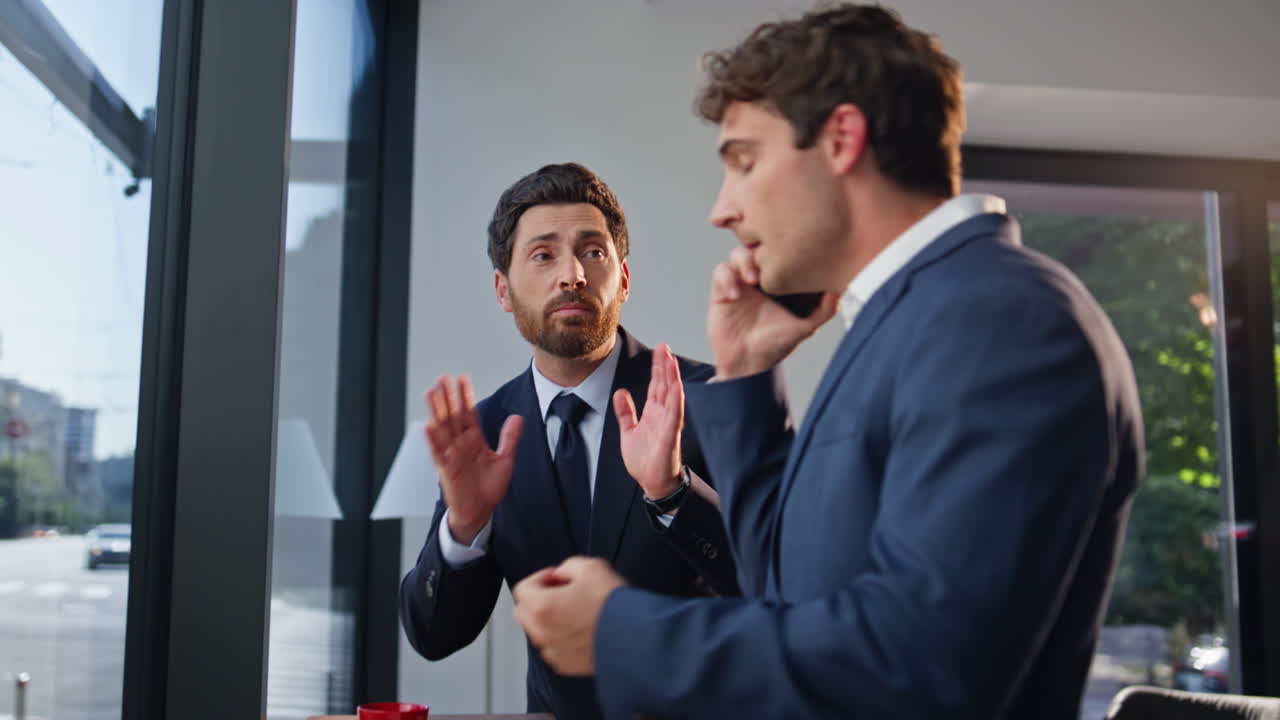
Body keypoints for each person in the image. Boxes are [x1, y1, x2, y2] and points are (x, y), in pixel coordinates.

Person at [511, 6, 1144, 719]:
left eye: (744, 162)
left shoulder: (1003, 322)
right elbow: (788, 593)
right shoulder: (911, 321)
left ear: (843, 138)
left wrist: (621, 632)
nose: (723, 209)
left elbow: (919, 666)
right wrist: (748, 376)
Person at [398, 162, 737, 720]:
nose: (572, 274)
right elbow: (434, 636)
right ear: (503, 290)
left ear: (623, 279)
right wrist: (464, 528)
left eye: (593, 251)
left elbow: (780, 590)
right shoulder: (483, 433)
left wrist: (673, 492)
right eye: (543, 254)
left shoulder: (705, 401)